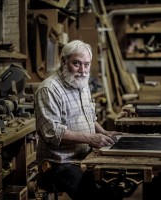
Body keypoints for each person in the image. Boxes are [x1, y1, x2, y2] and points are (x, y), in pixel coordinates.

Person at [34, 40, 122, 200]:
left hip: (85, 155)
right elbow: (52, 133)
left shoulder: (82, 84)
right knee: (92, 195)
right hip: (59, 162)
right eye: (77, 63)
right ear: (63, 61)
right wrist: (90, 138)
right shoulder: (49, 89)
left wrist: (103, 132)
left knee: (116, 184)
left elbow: (90, 118)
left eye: (86, 64)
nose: (83, 70)